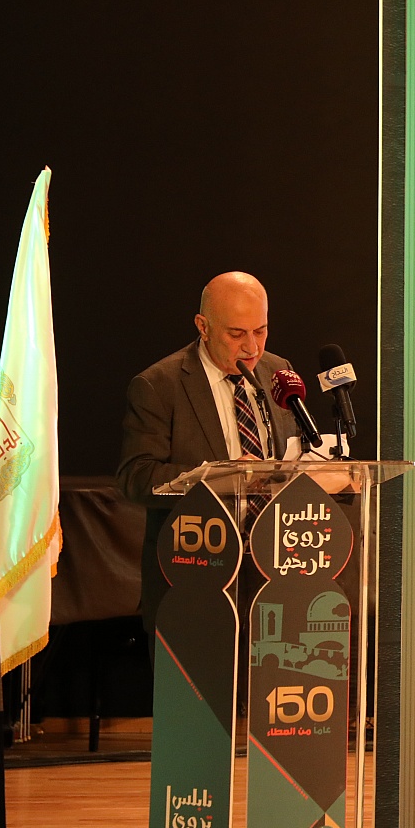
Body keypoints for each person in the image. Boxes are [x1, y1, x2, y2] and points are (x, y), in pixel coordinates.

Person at [116, 271, 299, 644]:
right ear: (203, 326)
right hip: (193, 576)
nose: (251, 347)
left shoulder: (278, 371)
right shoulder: (159, 385)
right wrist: (223, 478)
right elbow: (136, 477)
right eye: (236, 334)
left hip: (274, 573)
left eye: (260, 331)